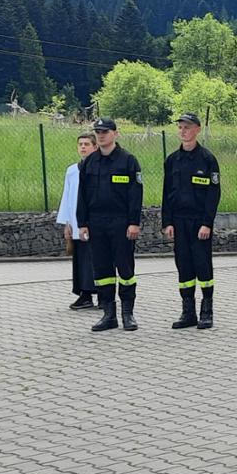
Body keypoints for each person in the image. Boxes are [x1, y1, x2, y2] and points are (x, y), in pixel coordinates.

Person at [75, 118, 144, 333]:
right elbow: (82, 196)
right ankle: (108, 314)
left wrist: (134, 222)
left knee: (125, 269)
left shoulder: (128, 161)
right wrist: (82, 223)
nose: (101, 135)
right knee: (102, 270)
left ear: (116, 133)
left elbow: (135, 195)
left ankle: (127, 313)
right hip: (96, 223)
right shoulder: (90, 162)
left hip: (121, 223)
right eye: (98, 131)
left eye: (105, 131)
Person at [162, 113, 222, 330]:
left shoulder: (207, 159)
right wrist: (167, 222)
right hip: (178, 222)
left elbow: (213, 194)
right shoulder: (172, 160)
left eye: (187, 127)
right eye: (180, 127)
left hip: (199, 223)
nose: (183, 131)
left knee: (202, 265)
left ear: (197, 129)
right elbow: (166, 193)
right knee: (184, 266)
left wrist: (207, 223)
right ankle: (188, 312)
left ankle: (207, 311)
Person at [56, 132, 98, 311]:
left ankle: (104, 294)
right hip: (75, 222)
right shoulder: (72, 170)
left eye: (87, 144)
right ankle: (85, 294)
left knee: (98, 258)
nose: (83, 147)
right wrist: (67, 222)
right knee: (80, 259)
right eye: (80, 144)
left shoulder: (99, 168)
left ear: (95, 147)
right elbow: (67, 196)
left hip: (95, 222)